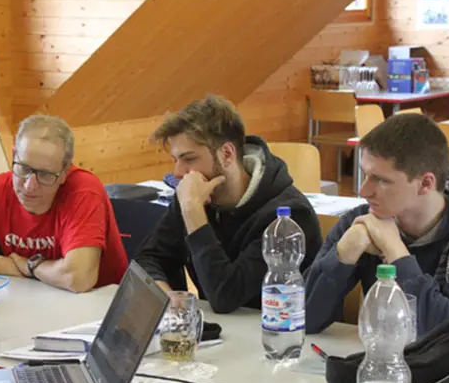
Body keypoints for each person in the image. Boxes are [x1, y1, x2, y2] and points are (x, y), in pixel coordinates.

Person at [133, 95, 322, 313]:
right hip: (223, 329)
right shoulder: (194, 195)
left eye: (189, 159)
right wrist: (166, 298)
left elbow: (225, 297)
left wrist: (194, 213)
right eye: (176, 160)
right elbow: (147, 259)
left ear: (226, 154)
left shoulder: (289, 216)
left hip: (279, 329)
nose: (178, 172)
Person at [305, 113, 449, 336]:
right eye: (365, 175)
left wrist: (395, 251)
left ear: (425, 183)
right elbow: (302, 319)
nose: (363, 191)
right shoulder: (361, 222)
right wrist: (343, 254)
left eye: (381, 180)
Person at [0, 115, 128, 292]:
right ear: (13, 155)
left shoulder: (83, 190)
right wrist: (11, 266)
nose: (29, 186)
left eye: (45, 175)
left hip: (98, 305)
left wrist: (30, 266)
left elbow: (78, 279)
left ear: (65, 172)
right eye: (24, 168)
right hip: (36, 295)